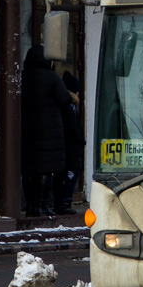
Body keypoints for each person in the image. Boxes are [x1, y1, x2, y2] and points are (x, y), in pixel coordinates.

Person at [20, 45, 70, 218]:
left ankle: (30, 206)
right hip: (49, 130)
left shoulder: (22, 77)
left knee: (28, 169)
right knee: (46, 168)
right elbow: (65, 99)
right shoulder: (51, 77)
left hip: (26, 128)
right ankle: (42, 205)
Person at [56, 71, 85, 216]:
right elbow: (73, 128)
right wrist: (81, 140)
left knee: (67, 174)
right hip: (71, 147)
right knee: (71, 174)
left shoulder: (65, 105)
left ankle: (63, 201)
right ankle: (64, 202)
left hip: (68, 147)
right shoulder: (69, 106)